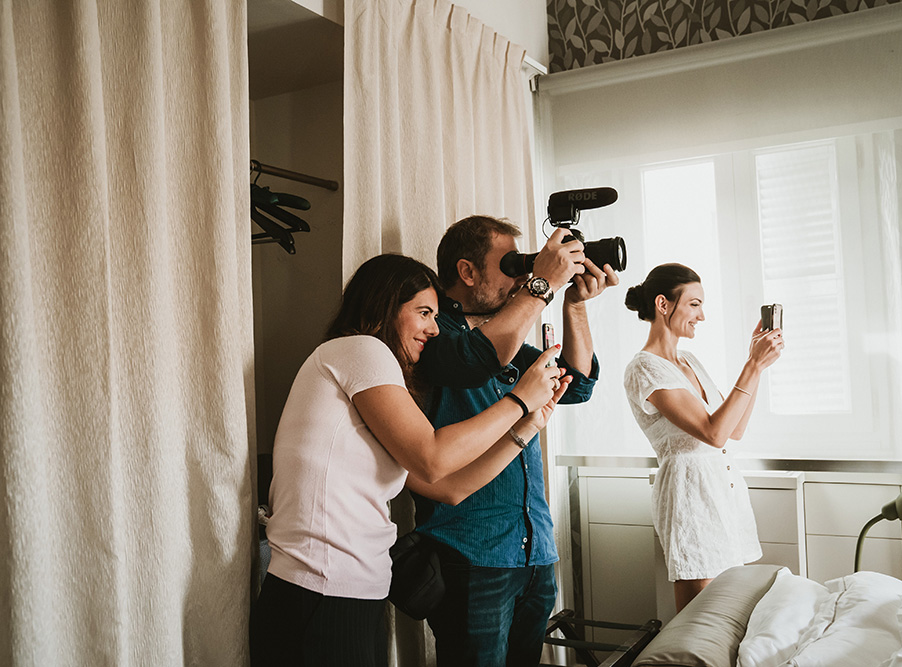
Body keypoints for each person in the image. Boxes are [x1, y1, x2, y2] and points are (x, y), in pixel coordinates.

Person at [249, 253, 570, 667]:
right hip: (320, 589)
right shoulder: (360, 349)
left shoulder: (376, 387)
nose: (434, 329)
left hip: (352, 589)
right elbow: (432, 458)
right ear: (384, 305)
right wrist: (518, 399)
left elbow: (451, 487)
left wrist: (526, 426)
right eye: (423, 312)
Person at [408, 215, 619, 667]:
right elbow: (474, 360)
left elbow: (576, 384)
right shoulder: (434, 334)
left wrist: (575, 306)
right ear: (467, 272)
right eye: (512, 264)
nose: (522, 275)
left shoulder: (505, 332)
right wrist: (541, 282)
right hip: (470, 552)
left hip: (533, 550)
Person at [622, 263, 783, 613]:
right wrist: (751, 367)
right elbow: (713, 432)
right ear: (663, 304)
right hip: (689, 497)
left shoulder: (690, 360)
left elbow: (733, 429)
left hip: (722, 491)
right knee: (699, 620)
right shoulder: (644, 367)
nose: (702, 315)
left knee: (730, 614)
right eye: (694, 304)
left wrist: (756, 366)